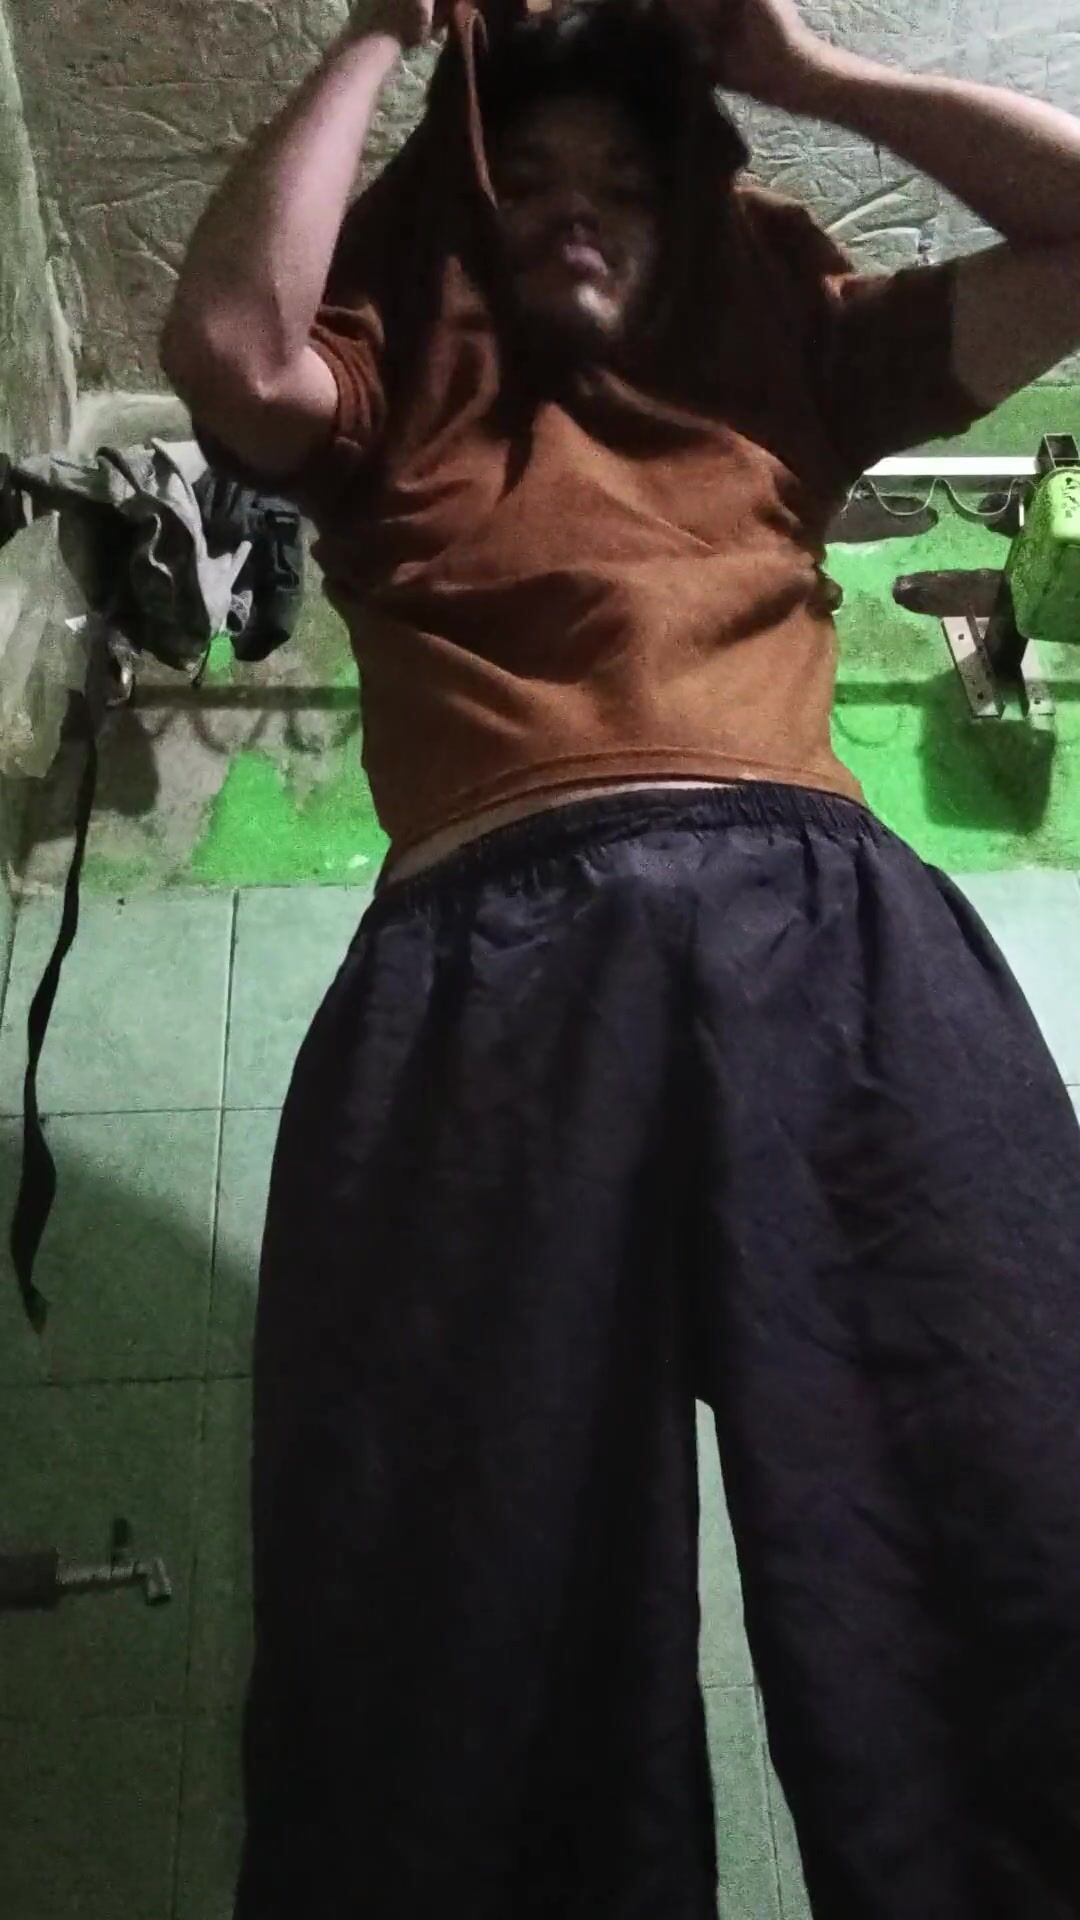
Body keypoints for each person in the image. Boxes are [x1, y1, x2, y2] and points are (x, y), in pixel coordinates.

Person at [162, 1, 1080, 1914]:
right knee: (457, 1627)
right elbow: (234, 350)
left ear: (694, 219)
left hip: (826, 938)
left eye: (624, 184)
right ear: (458, 223)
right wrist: (376, 35)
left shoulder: (792, 353)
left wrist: (807, 74)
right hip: (487, 969)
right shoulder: (388, 374)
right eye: (529, 182)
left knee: (1006, 1513)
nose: (579, 208)